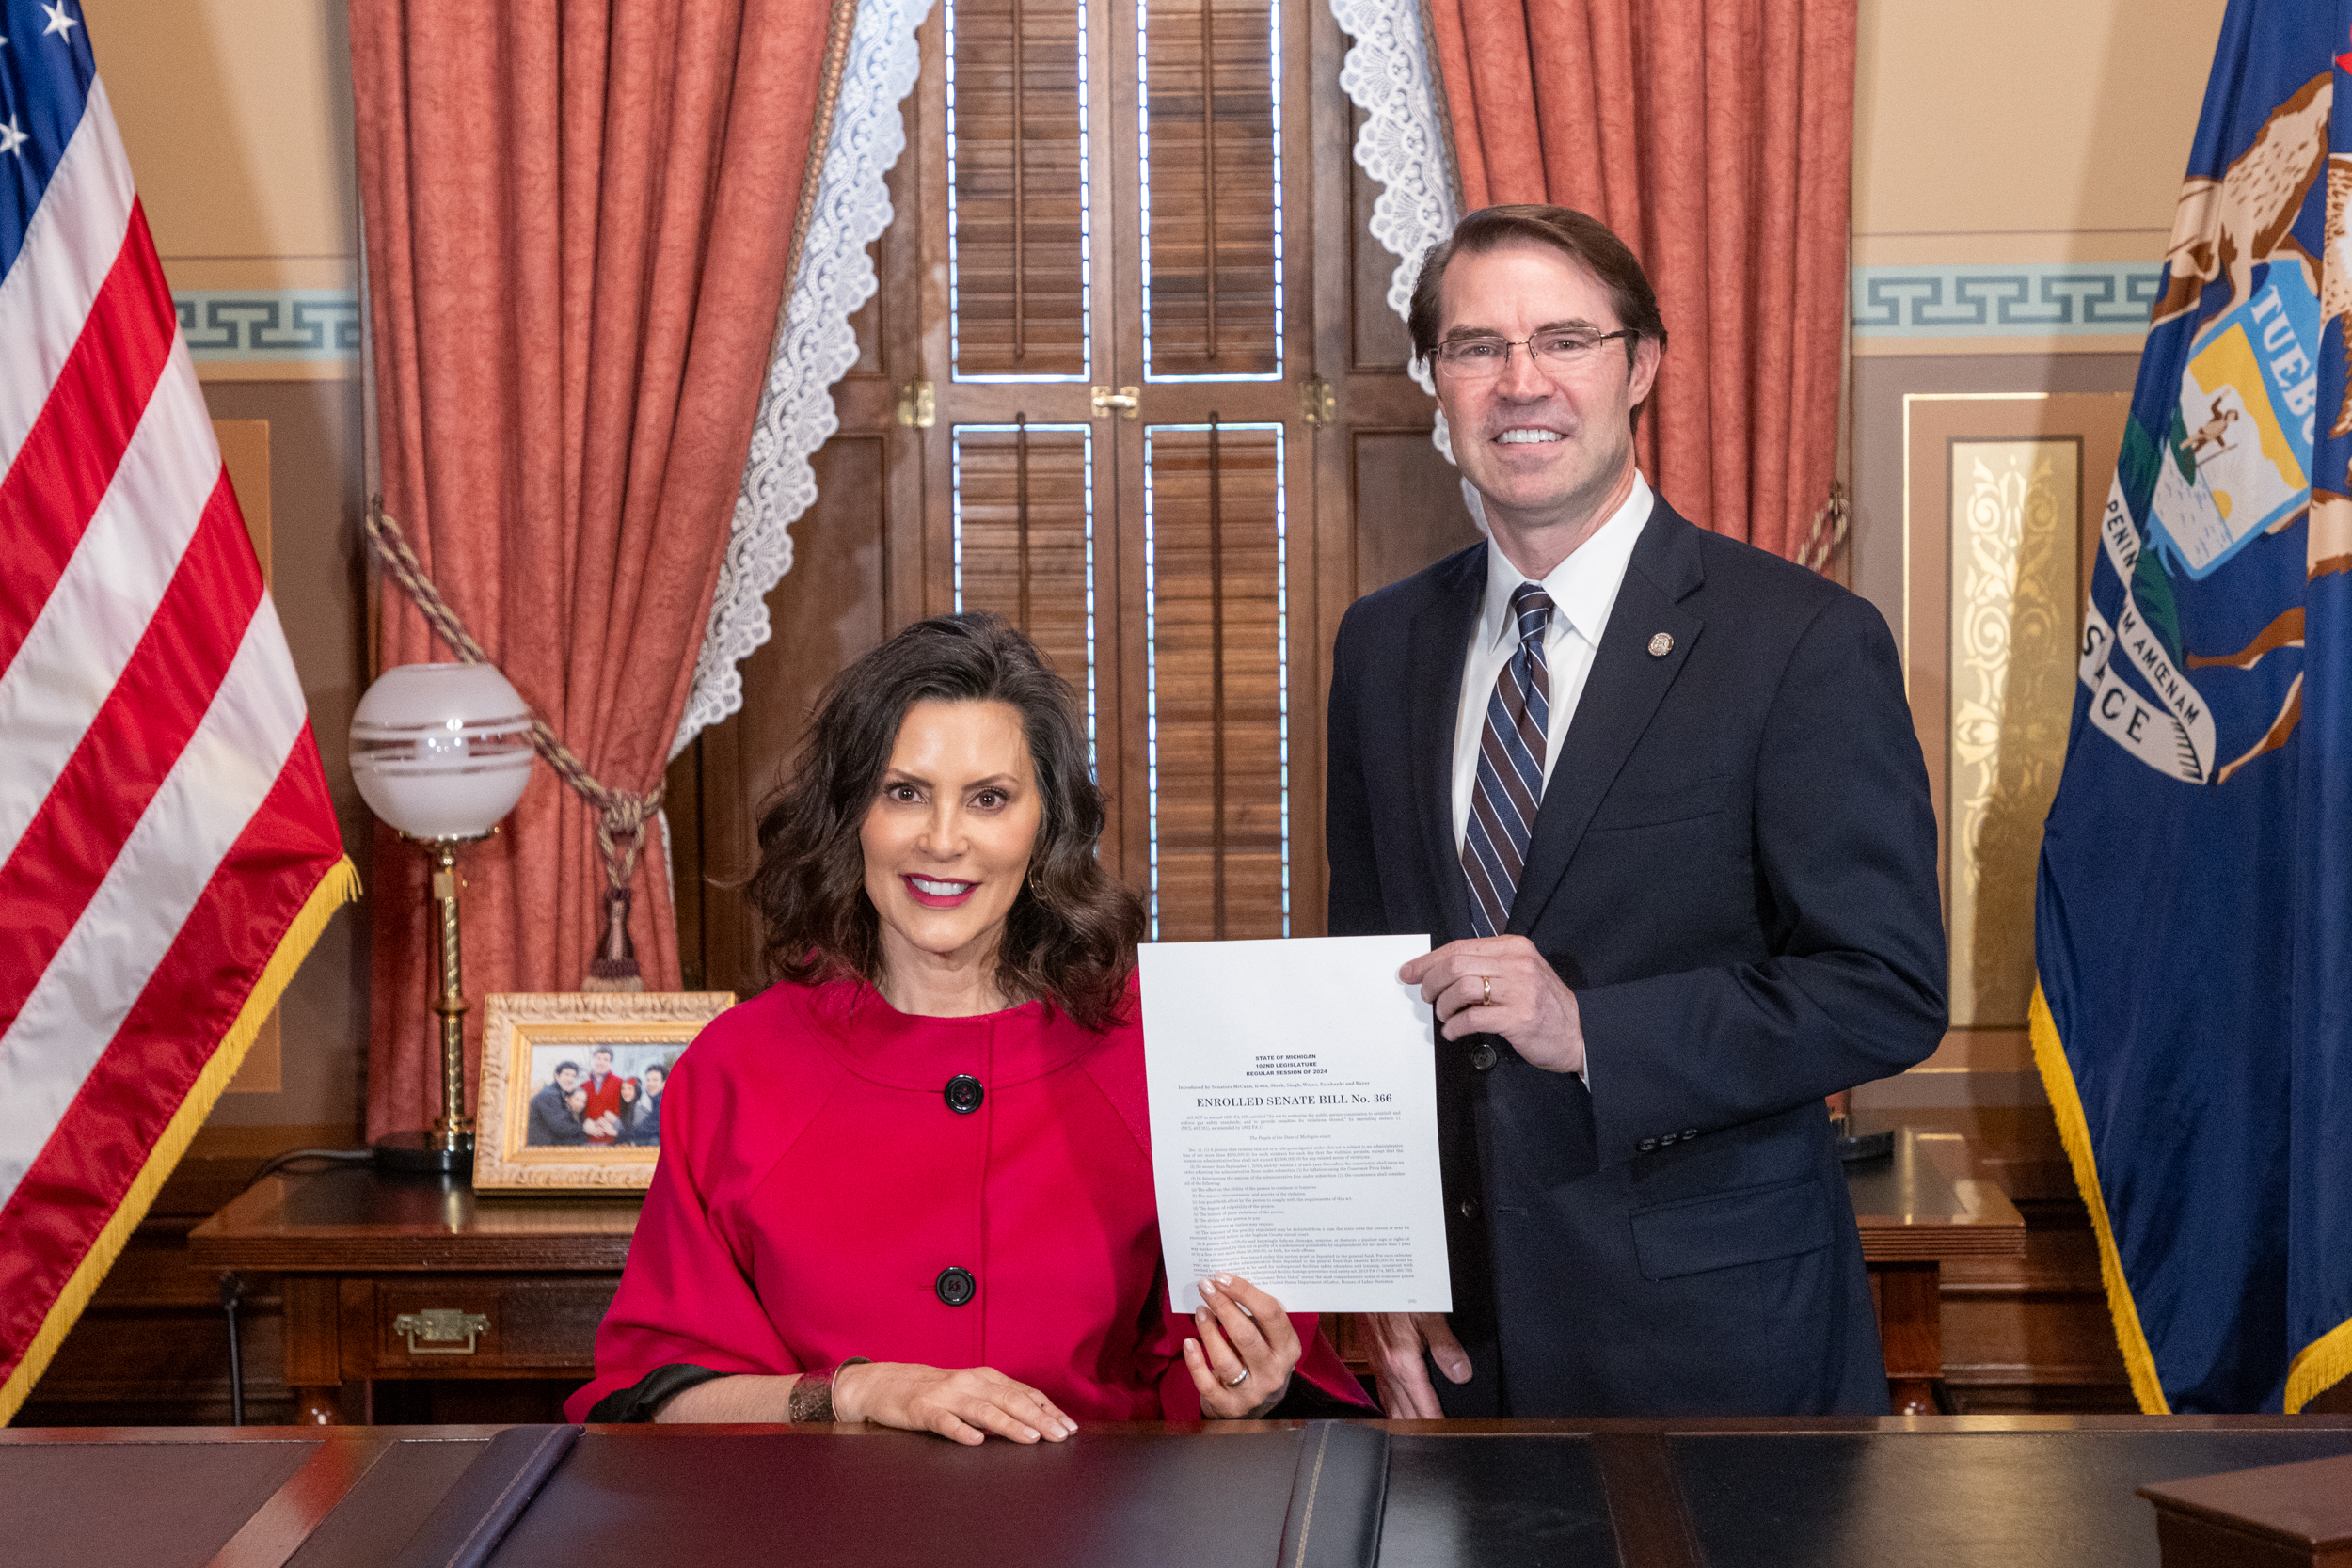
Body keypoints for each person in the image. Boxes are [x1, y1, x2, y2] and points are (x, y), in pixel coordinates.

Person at [1325, 205, 1946, 1418]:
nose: (1521, 383)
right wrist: (1370, 1263)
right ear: (1432, 384)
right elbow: (1368, 981)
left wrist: (1592, 1028)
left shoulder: (1800, 642)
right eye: (1474, 347)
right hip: (1460, 1351)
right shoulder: (1380, 643)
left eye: (1563, 338)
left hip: (1716, 1349)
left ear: (1641, 366)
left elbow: (1885, 985)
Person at [567, 613, 1367, 1438]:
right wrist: (854, 1391)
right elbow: (654, 1396)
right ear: (852, 816)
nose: (943, 840)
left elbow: (1217, 1388)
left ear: (1045, 827)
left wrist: (1245, 1390)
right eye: (904, 792)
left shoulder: (1161, 1054)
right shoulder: (737, 1065)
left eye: (989, 799)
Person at [526, 1062, 587, 1147]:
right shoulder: (549, 1095)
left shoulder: (560, 1093)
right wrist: (584, 1128)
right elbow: (560, 1127)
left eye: (573, 1076)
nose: (570, 1079)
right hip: (539, 1148)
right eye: (566, 1074)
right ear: (557, 1076)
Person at [580, 1046, 625, 1143]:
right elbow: (576, 1113)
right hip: (588, 1141)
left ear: (610, 1063)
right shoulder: (583, 1086)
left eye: (605, 1059)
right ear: (593, 1060)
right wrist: (583, 1125)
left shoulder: (620, 1083)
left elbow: (628, 1113)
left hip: (612, 1142)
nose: (601, 1062)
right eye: (598, 1058)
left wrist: (616, 1125)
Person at [629, 1061, 666, 1146]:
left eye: (655, 1080)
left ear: (664, 1083)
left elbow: (646, 1127)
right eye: (648, 1080)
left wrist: (616, 1132)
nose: (650, 1084)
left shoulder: (662, 1102)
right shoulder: (655, 1100)